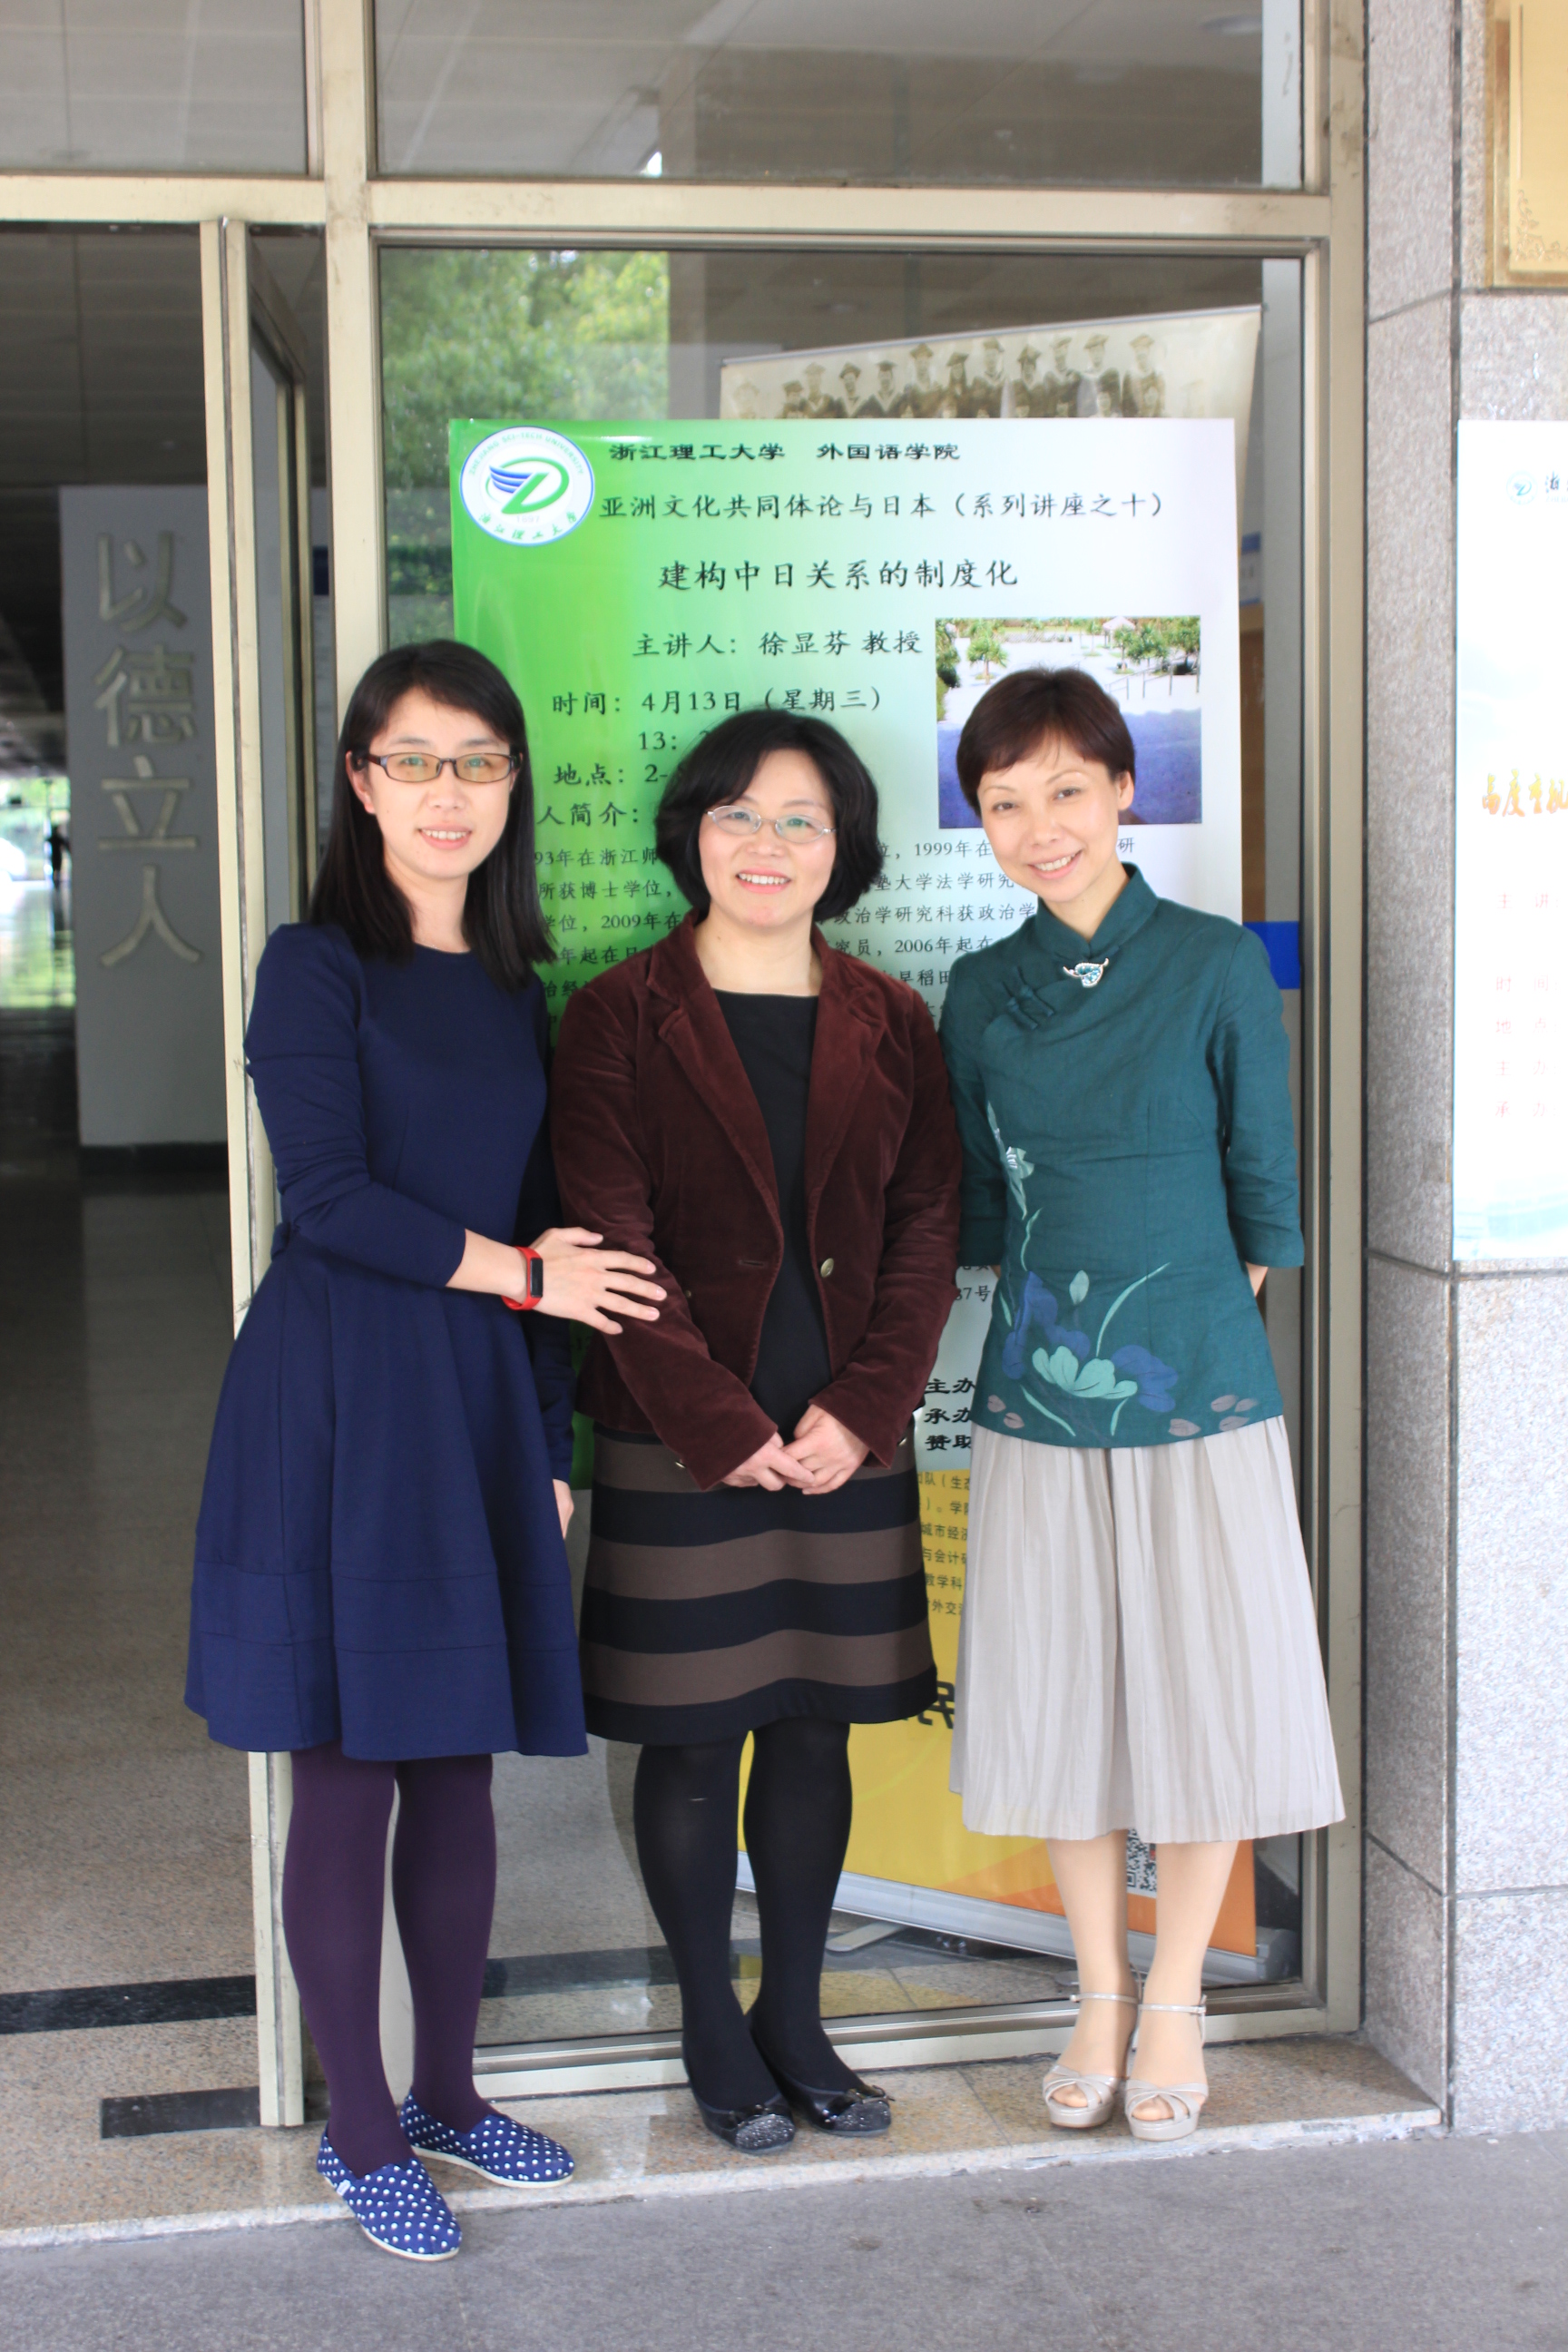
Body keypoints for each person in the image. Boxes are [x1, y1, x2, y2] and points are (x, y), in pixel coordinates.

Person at [186, 642, 663, 2260]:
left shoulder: (522, 990)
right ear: (360, 780)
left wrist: (549, 1432)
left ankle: (451, 2093)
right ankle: (361, 2130)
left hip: (473, 1400)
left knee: (457, 1764)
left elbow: (551, 1230)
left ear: (513, 784)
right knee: (347, 1768)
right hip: (335, 1393)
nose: (447, 792)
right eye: (414, 760)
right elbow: (329, 1200)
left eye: (479, 762)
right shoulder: (314, 967)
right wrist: (526, 1281)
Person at [939, 667, 1343, 2145]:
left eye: (1065, 789)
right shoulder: (981, 991)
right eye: (1005, 802)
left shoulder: (1214, 962)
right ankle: (1097, 1991)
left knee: (1204, 1687)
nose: (1039, 826)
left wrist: (1180, 1323)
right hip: (1040, 1388)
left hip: (1197, 1385)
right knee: (1060, 1693)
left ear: (1122, 789)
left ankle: (1175, 1996)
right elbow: (982, 1205)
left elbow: (1262, 1190)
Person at [552, 710, 961, 2156]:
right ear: (693, 837)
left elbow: (928, 1229)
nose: (767, 843)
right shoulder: (618, 1014)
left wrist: (866, 1408)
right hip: (682, 1438)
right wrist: (721, 1423)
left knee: (811, 1733)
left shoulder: (893, 1020)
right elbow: (609, 1236)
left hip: (846, 1439)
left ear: (842, 848)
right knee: (689, 1741)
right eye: (738, 814)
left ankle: (795, 2016)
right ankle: (709, 2026)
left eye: (801, 819)